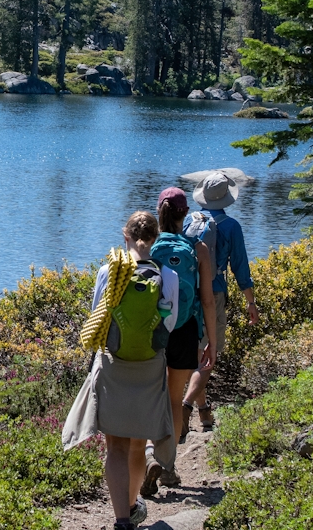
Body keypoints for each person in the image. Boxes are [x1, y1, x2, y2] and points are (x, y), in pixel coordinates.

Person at [62, 211, 178, 530]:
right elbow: (170, 324)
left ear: (124, 236)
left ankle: (122, 520)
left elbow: (98, 316)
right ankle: (132, 502)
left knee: (116, 447)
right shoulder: (168, 276)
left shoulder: (107, 273)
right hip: (151, 368)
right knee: (138, 443)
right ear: (156, 239)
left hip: (113, 365)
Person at [140, 187, 217, 496]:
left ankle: (147, 454)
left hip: (155, 330)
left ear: (159, 211)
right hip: (185, 330)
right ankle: (167, 465)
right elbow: (208, 301)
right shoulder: (198, 249)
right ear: (186, 214)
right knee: (174, 399)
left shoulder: (148, 245)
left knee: (152, 396)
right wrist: (211, 339)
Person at [181, 170, 258, 433]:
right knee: (209, 356)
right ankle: (187, 403)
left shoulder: (189, 222)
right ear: (226, 198)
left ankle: (204, 414)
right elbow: (240, 268)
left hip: (189, 294)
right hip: (214, 294)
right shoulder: (231, 227)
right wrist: (251, 303)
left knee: (196, 354)